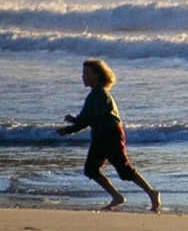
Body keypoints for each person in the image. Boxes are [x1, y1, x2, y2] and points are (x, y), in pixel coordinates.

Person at [57, 58, 161, 212]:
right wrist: (74, 120)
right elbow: (86, 117)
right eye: (83, 73)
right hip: (101, 135)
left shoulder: (100, 94)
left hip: (110, 134)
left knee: (124, 170)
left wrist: (68, 130)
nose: (83, 77)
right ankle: (117, 197)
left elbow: (90, 119)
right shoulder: (94, 94)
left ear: (97, 75)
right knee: (91, 169)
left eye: (87, 73)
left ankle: (152, 193)